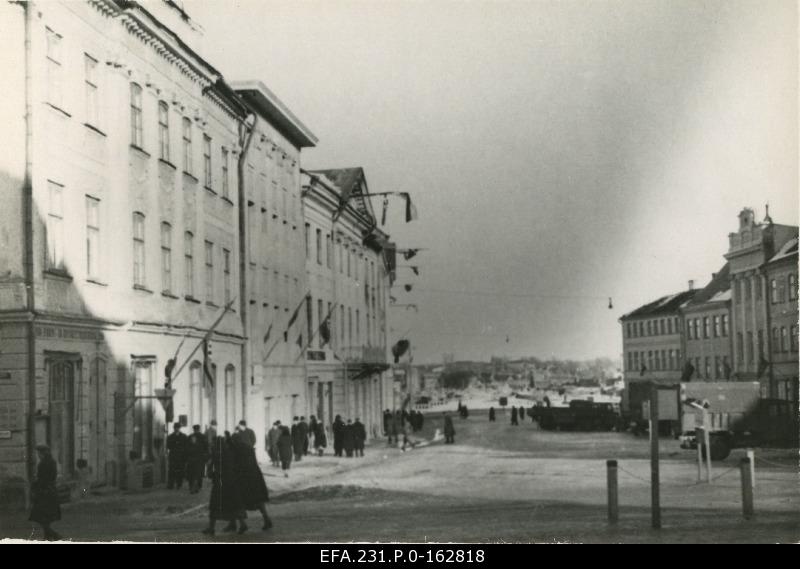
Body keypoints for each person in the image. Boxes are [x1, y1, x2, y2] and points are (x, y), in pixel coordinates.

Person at [228, 429, 272, 532]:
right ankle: (266, 519)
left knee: (236, 501)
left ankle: (242, 524)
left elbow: (234, 465)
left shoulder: (235, 450)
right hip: (255, 478)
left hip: (242, 479)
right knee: (258, 501)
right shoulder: (249, 448)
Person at [203, 433, 246, 536]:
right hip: (231, 482)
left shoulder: (215, 454)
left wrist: (211, 473)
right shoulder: (230, 453)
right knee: (233, 504)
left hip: (220, 482)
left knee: (215, 504)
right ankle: (242, 523)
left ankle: (211, 528)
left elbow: (209, 471)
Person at [29, 445, 62, 541]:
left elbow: (41, 479)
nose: (38, 455)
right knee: (46, 516)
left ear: (42, 453)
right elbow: (52, 476)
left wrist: (34, 486)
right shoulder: (52, 462)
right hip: (51, 491)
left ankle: (54, 535)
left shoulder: (42, 464)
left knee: (41, 515)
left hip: (43, 492)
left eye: (39, 453)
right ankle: (48, 536)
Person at [186, 424, 209, 494]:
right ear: (199, 429)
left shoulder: (190, 437)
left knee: (192, 473)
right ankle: (198, 486)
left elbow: (186, 448)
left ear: (194, 429)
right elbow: (206, 448)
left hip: (191, 458)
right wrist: (206, 458)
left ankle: (192, 486)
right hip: (200, 458)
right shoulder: (203, 437)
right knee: (199, 473)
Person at [166, 422, 188, 490]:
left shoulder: (184, 436)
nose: (176, 429)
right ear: (174, 428)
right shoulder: (170, 436)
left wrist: (185, 456)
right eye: (175, 428)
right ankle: (171, 484)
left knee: (180, 471)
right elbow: (168, 446)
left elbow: (186, 446)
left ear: (179, 428)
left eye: (178, 428)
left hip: (181, 456)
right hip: (173, 456)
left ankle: (179, 484)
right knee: (172, 470)